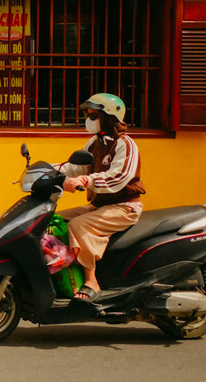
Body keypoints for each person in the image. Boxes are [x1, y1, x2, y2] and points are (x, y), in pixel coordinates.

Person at [59, 93, 145, 301]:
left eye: (94, 115)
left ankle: (91, 281)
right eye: (88, 115)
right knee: (56, 221)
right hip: (100, 205)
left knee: (79, 225)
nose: (88, 120)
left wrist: (85, 181)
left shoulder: (126, 144)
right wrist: (48, 171)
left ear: (109, 117)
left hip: (124, 207)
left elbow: (119, 178)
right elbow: (76, 167)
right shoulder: (95, 143)